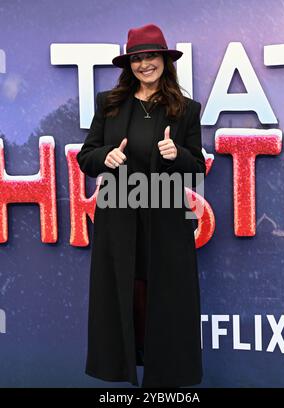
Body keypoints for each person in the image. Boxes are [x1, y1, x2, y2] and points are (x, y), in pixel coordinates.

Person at [76, 23, 206, 388]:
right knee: (126, 294)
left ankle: (164, 380)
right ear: (128, 64)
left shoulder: (186, 110)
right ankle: (125, 371)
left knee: (164, 300)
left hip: (166, 222)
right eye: (137, 58)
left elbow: (196, 169)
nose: (144, 64)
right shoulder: (109, 104)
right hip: (118, 217)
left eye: (151, 56)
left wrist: (176, 154)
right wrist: (106, 157)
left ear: (165, 60)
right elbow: (86, 158)